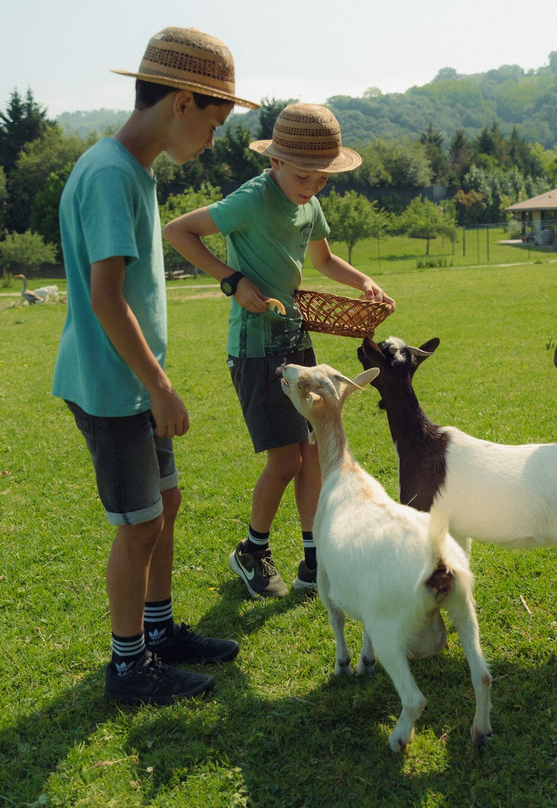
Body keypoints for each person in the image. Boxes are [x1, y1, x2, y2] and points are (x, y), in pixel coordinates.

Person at [53, 27, 258, 706]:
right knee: (139, 522)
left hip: (133, 384)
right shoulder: (111, 174)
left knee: (163, 504)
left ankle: (159, 631)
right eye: (215, 120)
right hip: (114, 387)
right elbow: (106, 298)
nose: (214, 137)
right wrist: (160, 386)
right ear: (181, 101)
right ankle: (127, 667)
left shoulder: (132, 170)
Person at [163, 102, 395, 599]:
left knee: (312, 451)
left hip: (296, 338)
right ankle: (252, 550)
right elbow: (177, 232)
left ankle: (314, 562)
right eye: (304, 175)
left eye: (322, 179)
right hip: (255, 348)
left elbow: (324, 259)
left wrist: (364, 281)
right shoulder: (251, 199)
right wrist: (233, 280)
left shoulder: (309, 204)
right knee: (285, 460)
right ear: (275, 162)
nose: (312, 187)